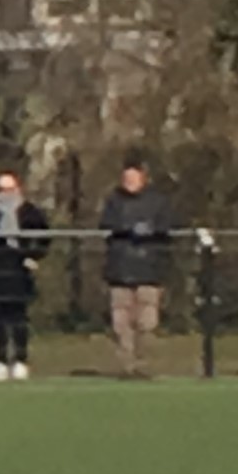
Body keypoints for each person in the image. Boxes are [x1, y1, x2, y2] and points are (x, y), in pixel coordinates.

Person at [100, 158, 175, 379]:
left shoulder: (158, 202)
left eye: (134, 178)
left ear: (143, 178)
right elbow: (106, 226)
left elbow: (167, 229)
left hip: (148, 272)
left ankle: (144, 365)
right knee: (121, 324)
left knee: (147, 322)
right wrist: (126, 229)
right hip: (119, 271)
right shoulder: (113, 202)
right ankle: (126, 366)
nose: (129, 182)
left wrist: (149, 231)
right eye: (126, 178)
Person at [0, 170, 48, 381]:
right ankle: (0, 360)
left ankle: (20, 360)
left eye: (9, 189)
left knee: (19, 318)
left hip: (20, 272)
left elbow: (44, 237)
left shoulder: (30, 212)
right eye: (1, 189)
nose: (5, 194)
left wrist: (33, 256)